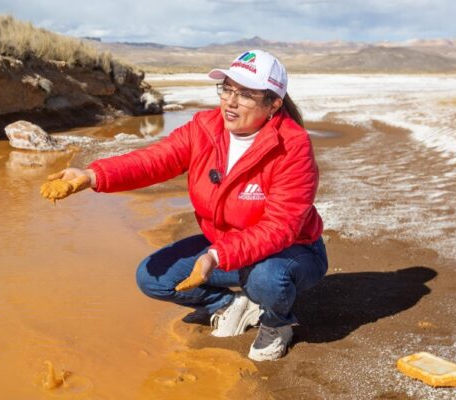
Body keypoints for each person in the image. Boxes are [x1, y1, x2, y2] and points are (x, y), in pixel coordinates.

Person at [41, 50, 327, 361]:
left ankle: (277, 324)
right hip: (224, 246)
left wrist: (215, 257)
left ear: (273, 103)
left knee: (266, 280)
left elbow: (280, 227)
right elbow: (155, 160)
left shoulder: (292, 146)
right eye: (227, 88)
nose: (230, 101)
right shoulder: (204, 128)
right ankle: (230, 305)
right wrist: (93, 174)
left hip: (290, 251)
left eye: (245, 94)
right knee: (153, 278)